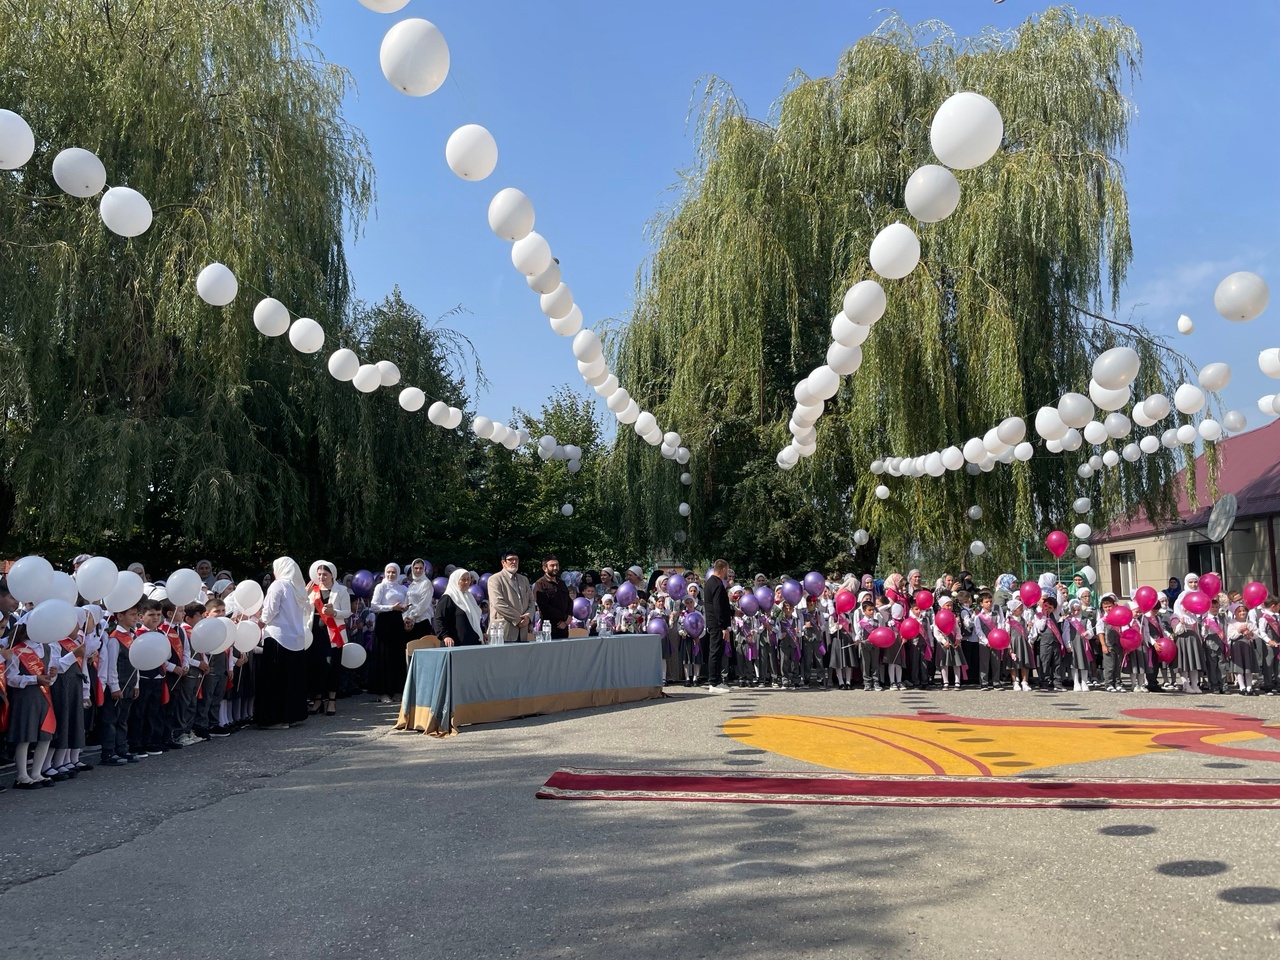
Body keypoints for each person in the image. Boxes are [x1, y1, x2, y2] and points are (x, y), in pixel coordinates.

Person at [255, 557, 309, 729]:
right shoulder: (299, 588)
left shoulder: (278, 585)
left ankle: (274, 718)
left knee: (274, 678)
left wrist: (260, 621)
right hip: (296, 637)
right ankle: (291, 715)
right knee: (292, 679)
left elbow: (270, 611)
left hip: (278, 636)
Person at [306, 560, 351, 716]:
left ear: (332, 575)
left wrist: (334, 613)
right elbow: (304, 610)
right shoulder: (313, 590)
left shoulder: (341, 590)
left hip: (333, 633)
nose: (321, 577)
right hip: (315, 633)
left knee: (332, 665)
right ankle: (317, 700)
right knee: (316, 665)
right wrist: (304, 596)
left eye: (325, 574)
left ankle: (332, 700)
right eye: (319, 574)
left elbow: (347, 612)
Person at [369, 562, 409, 703]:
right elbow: (374, 606)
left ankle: (397, 690)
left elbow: (406, 604)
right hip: (384, 622)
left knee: (396, 656)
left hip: (397, 622)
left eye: (394, 572)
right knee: (384, 656)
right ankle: (383, 692)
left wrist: (405, 610)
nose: (391, 575)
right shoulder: (381, 587)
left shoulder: (402, 588)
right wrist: (391, 608)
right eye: (388, 572)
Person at [489, 550, 536, 643]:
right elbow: (498, 603)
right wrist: (518, 619)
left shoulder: (524, 580)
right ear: (503, 562)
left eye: (516, 560)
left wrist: (528, 617)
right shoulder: (495, 579)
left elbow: (532, 601)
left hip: (522, 633)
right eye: (511, 560)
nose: (514, 562)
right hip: (503, 632)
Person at [704, 559, 733, 692]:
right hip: (716, 623)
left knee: (719, 651)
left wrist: (732, 612)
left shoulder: (710, 582)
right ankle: (713, 683)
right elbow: (718, 606)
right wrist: (723, 626)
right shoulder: (716, 584)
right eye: (727, 570)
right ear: (723, 569)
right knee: (715, 652)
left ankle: (717, 680)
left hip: (715, 622)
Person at [434, 569, 482, 647]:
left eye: (468, 579)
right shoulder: (448, 598)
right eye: (463, 580)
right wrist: (445, 636)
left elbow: (475, 618)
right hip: (455, 645)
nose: (466, 582)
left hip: (472, 644)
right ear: (455, 581)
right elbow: (439, 619)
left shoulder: (469, 597)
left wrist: (482, 632)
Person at [534, 555, 572, 639]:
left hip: (564, 628)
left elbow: (569, 601)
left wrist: (568, 618)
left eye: (557, 565)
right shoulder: (540, 584)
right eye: (552, 565)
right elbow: (544, 607)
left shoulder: (561, 583)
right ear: (545, 568)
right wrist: (564, 617)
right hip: (548, 628)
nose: (555, 568)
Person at [403, 559, 435, 643]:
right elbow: (407, 602)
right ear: (412, 569)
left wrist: (412, 616)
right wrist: (405, 616)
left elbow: (424, 604)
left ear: (424, 569)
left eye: (421, 568)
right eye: (416, 568)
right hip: (410, 622)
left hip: (422, 620)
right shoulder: (412, 584)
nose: (418, 570)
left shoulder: (426, 583)